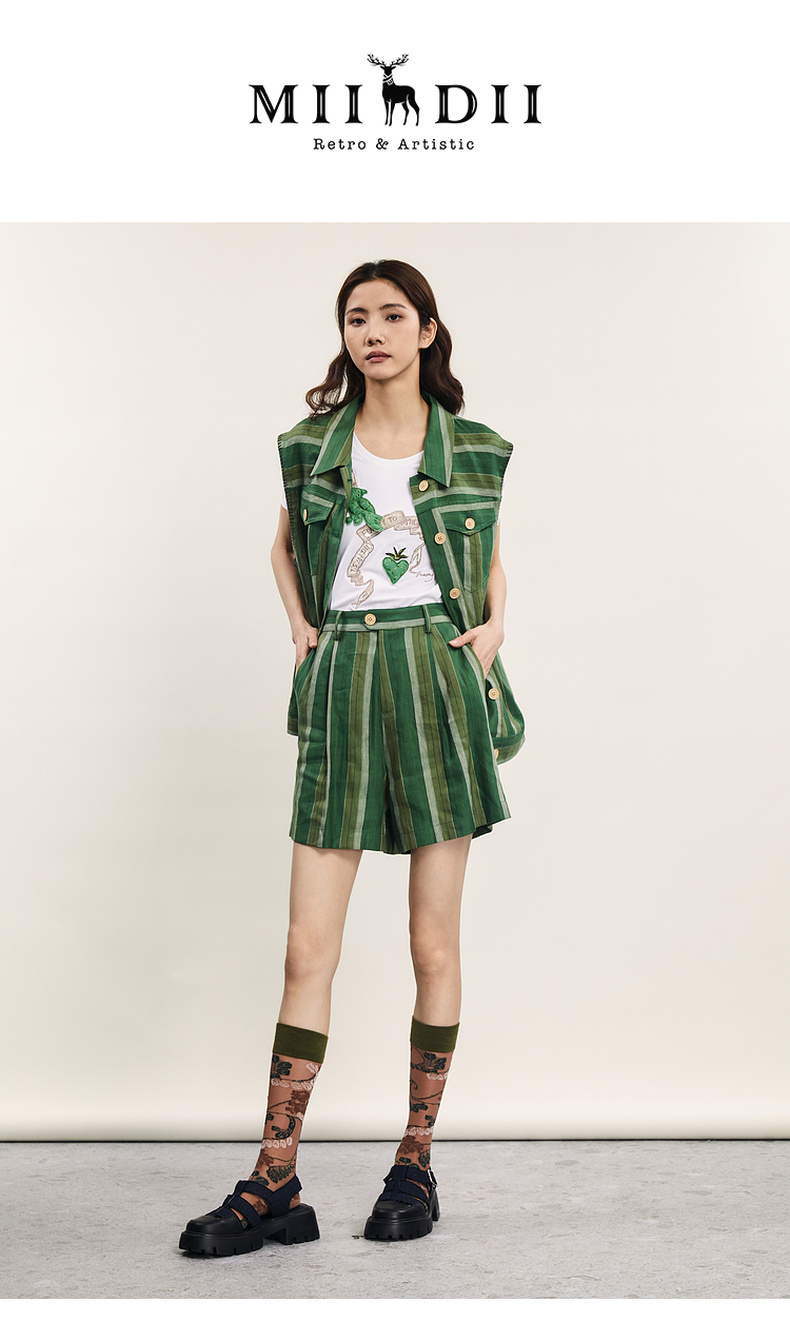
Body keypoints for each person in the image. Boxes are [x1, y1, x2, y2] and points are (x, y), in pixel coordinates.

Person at [178, 259, 524, 1256]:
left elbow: (489, 558)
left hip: (435, 678)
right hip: (344, 678)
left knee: (432, 944)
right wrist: (301, 627)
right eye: (356, 317)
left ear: (426, 330)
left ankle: (414, 1161)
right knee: (306, 947)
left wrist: (497, 626)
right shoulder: (309, 448)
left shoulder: (476, 449)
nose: (372, 331)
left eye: (391, 315)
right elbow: (283, 546)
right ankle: (273, 1180)